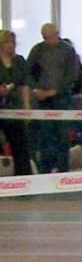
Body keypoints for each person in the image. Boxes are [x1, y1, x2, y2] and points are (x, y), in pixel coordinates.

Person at [26, 22, 80, 173]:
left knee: (62, 135)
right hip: (43, 100)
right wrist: (36, 89)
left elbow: (72, 75)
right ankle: (46, 169)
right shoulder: (37, 50)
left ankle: (63, 170)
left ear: (57, 34)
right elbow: (26, 72)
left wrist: (55, 91)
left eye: (51, 37)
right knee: (45, 136)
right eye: (45, 38)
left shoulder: (68, 50)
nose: (48, 41)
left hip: (63, 99)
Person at [0, 29, 32, 175]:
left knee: (20, 146)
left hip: (14, 107)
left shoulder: (19, 61)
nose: (10, 45)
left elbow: (24, 85)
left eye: (12, 42)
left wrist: (27, 107)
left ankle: (24, 178)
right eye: (6, 42)